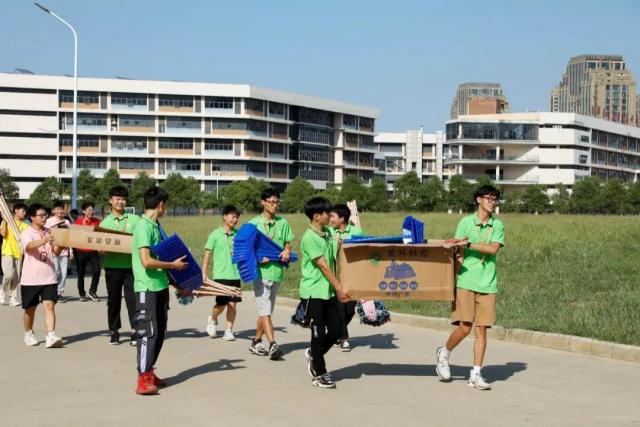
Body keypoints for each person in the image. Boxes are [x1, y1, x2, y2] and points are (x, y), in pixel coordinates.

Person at [435, 185, 505, 390]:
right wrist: (452, 277)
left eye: (495, 198)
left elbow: (492, 249)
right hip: (466, 281)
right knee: (465, 328)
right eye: (489, 198)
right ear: (478, 200)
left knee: (482, 330)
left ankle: (475, 374)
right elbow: (458, 252)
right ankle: (444, 354)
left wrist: (469, 244)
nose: (492, 201)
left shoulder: (497, 225)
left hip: (488, 283)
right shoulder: (465, 223)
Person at [132, 187, 188, 395]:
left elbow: (162, 259)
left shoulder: (156, 227)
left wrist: (178, 284)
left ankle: (149, 371)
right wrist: (173, 265)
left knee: (160, 332)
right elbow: (146, 261)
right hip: (146, 287)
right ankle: (142, 378)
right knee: (148, 333)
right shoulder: (143, 227)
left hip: (160, 286)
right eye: (166, 205)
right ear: (161, 204)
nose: (166, 208)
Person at [300, 197, 349, 389]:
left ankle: (314, 354)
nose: (330, 216)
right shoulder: (309, 238)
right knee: (318, 333)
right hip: (313, 293)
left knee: (337, 331)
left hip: (328, 292)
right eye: (327, 213)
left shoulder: (328, 233)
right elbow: (324, 266)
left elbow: (336, 253)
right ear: (316, 216)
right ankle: (319, 374)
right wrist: (339, 288)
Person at [247, 188, 293, 360]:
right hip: (260, 274)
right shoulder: (253, 224)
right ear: (263, 202)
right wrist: (258, 259)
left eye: (276, 202)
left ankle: (256, 341)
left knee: (266, 311)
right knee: (265, 310)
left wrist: (287, 251)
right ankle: (273, 344)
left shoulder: (283, 223)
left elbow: (287, 243)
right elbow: (246, 250)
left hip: (277, 272)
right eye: (271, 202)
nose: (274, 205)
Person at [100, 186, 141, 346]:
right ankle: (114, 331)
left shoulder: (135, 220)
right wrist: (101, 249)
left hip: (131, 267)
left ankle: (135, 330)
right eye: (117, 199)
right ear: (110, 201)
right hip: (112, 267)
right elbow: (100, 243)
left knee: (133, 300)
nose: (120, 202)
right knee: (113, 300)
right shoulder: (105, 223)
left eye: (123, 199)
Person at [20, 203, 65, 348]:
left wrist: (61, 244)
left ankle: (51, 335)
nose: (44, 217)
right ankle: (28, 333)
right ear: (32, 217)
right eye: (41, 215)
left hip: (49, 277)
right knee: (30, 309)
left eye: (46, 215)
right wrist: (45, 240)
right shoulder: (26, 233)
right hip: (31, 279)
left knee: (49, 305)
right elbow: (29, 246)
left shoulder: (50, 231)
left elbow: (56, 252)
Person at [328, 203, 365, 352]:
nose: (330, 219)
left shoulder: (357, 231)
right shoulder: (329, 232)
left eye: (333, 216)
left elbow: (364, 251)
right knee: (340, 309)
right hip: (336, 276)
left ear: (342, 218)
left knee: (350, 310)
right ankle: (344, 338)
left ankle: (337, 333)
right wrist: (337, 246)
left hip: (353, 277)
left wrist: (348, 245)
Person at [203, 205, 242, 341]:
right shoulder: (215, 234)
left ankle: (228, 330)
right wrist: (204, 272)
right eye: (233, 216)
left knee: (233, 304)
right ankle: (213, 318)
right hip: (220, 275)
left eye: (237, 217)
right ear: (224, 216)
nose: (235, 219)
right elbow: (207, 254)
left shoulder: (239, 235)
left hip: (235, 274)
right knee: (221, 304)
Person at [1, 202, 28, 307]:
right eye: (23, 211)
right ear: (16, 211)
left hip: (19, 253)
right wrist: (4, 220)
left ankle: (13, 297)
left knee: (16, 277)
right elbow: (3, 234)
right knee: (8, 275)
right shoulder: (7, 221)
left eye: (25, 211)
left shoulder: (25, 225)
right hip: (7, 251)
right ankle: (2, 291)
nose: (24, 213)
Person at [45, 200, 72, 303]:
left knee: (63, 273)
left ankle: (59, 293)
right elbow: (45, 235)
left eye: (62, 209)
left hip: (64, 251)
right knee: (55, 271)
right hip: (53, 251)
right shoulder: (49, 221)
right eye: (58, 209)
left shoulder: (67, 222)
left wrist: (71, 251)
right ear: (54, 210)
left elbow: (70, 238)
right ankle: (51, 292)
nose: (60, 211)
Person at [74, 201, 101, 302]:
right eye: (89, 210)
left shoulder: (96, 221)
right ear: (84, 211)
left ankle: (92, 291)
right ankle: (82, 294)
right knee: (81, 274)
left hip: (93, 251)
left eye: (92, 210)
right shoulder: (78, 222)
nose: (91, 212)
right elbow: (74, 237)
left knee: (97, 271)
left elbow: (100, 235)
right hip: (81, 251)